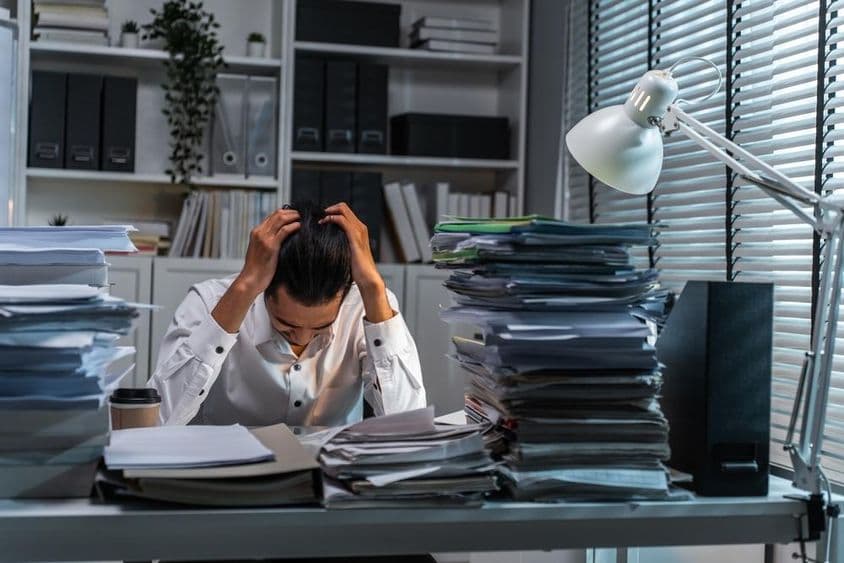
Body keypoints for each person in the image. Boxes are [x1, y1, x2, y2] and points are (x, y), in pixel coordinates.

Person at [149, 201, 427, 426]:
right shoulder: (209, 301)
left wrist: (374, 288)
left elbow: (407, 425)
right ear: (264, 287)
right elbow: (157, 423)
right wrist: (244, 287)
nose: (303, 339)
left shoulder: (367, 305)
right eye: (286, 326)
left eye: (321, 328)